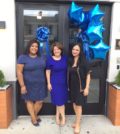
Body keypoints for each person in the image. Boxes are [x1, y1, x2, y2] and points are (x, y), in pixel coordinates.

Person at [17, 39, 47, 126]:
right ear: (29, 47)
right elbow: (19, 72)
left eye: (36, 46)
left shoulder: (42, 57)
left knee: (40, 101)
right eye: (32, 46)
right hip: (28, 84)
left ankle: (33, 115)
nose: (35, 48)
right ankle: (34, 118)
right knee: (29, 101)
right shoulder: (23, 57)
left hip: (41, 84)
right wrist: (22, 85)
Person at [68, 43, 91, 134]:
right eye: (73, 49)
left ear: (80, 51)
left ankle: (77, 124)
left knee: (78, 105)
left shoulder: (83, 61)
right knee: (74, 104)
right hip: (72, 87)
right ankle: (78, 120)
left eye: (77, 50)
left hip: (80, 88)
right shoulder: (70, 60)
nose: (74, 51)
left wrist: (87, 88)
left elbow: (88, 75)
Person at [46, 42, 68, 126]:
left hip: (64, 83)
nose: (56, 51)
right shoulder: (49, 59)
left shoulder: (65, 58)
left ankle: (57, 115)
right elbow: (47, 71)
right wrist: (48, 83)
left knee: (61, 101)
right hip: (54, 83)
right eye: (55, 49)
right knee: (59, 101)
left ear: (61, 50)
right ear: (53, 50)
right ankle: (63, 117)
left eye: (58, 49)